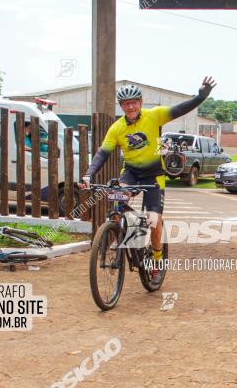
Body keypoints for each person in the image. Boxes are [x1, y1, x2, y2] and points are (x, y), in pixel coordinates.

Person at [79, 79, 216, 273]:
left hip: (154, 176)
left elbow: (180, 109)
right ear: (121, 106)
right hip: (131, 174)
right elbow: (103, 153)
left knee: (153, 219)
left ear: (141, 102)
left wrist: (200, 97)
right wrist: (88, 175)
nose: (131, 106)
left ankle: (157, 259)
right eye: (126, 103)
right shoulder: (117, 128)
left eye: (134, 101)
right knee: (117, 203)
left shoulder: (155, 116)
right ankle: (123, 239)